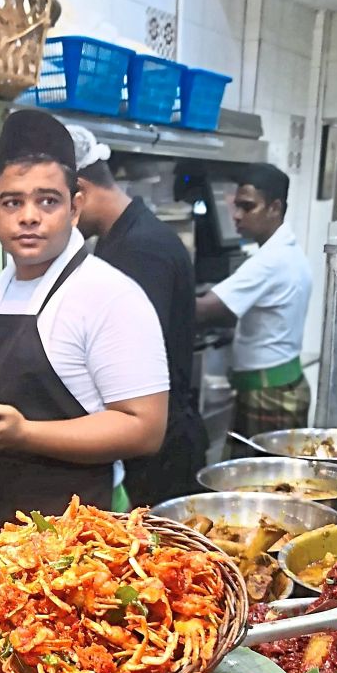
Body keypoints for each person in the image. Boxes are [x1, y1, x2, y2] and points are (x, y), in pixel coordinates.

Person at [0, 109, 169, 542]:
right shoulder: (1, 287)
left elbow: (145, 428)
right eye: (13, 202)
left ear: (74, 208)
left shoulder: (109, 295)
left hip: (76, 543)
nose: (29, 216)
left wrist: (24, 434)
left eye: (47, 201)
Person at [68, 124, 207, 506]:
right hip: (160, 444)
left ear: (79, 190)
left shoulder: (138, 250)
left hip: (158, 456)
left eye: (53, 201)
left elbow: (131, 364)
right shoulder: (125, 238)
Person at [195, 163, 312, 443]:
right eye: (235, 206)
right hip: (277, 386)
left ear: (274, 207)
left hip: (268, 395)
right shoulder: (285, 251)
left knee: (263, 485)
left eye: (247, 207)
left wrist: (149, 296)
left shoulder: (271, 260)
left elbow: (205, 311)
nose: (236, 216)